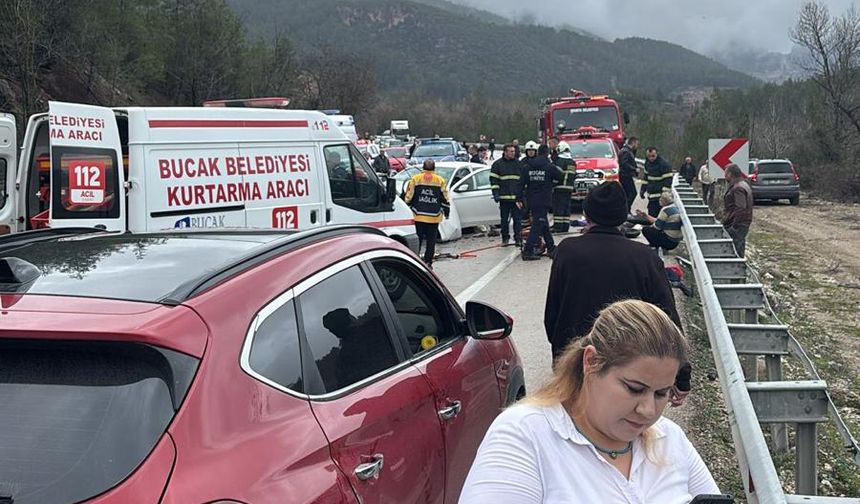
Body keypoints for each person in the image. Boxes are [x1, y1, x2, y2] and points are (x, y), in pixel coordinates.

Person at [459, 300, 719, 504]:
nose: (648, 410)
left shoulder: (670, 439)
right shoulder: (525, 435)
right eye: (634, 389)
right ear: (591, 362)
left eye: (662, 393)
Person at [545, 181, 682, 360]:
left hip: (573, 361)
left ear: (587, 214)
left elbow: (552, 313)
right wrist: (681, 376)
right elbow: (667, 320)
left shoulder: (567, 251)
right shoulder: (646, 258)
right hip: (627, 366)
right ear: (622, 216)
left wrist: (560, 354)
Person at [404, 160, 450, 269]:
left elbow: (409, 196)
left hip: (418, 216)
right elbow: (445, 198)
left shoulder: (415, 179)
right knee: (431, 241)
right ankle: (428, 262)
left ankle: (416, 261)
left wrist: (406, 204)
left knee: (418, 239)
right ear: (434, 168)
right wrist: (447, 212)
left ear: (423, 167)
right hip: (434, 217)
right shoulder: (440, 180)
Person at [520, 142, 562, 260]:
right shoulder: (549, 167)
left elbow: (521, 183)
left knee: (543, 223)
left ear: (538, 153)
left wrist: (519, 197)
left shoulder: (527, 166)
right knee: (537, 225)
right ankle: (528, 250)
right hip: (544, 199)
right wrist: (551, 183)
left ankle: (551, 247)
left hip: (532, 199)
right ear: (547, 154)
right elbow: (560, 176)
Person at [491, 144, 524, 247]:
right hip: (504, 199)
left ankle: (518, 239)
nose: (513, 153)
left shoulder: (519, 164)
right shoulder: (497, 165)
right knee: (504, 221)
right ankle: (505, 238)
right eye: (510, 151)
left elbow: (523, 181)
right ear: (505, 152)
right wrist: (496, 194)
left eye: (513, 151)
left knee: (518, 220)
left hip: (516, 199)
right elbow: (494, 181)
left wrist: (522, 196)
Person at [722, 163, 753, 257]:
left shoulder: (738, 188)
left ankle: (736, 270)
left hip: (738, 225)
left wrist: (734, 226)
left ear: (731, 174)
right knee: (738, 248)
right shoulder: (743, 184)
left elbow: (740, 208)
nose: (724, 176)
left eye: (726, 173)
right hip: (741, 224)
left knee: (735, 251)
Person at [641, 147, 673, 218]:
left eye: (653, 156)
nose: (651, 158)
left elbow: (668, 181)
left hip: (660, 197)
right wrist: (643, 189)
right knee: (651, 214)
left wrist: (664, 195)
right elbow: (646, 178)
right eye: (649, 156)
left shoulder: (663, 164)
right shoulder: (647, 163)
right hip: (651, 196)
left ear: (657, 154)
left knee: (657, 217)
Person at [551, 141, 576, 232]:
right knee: (566, 207)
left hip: (559, 187)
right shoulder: (572, 162)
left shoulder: (559, 161)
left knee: (558, 207)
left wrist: (552, 184)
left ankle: (558, 227)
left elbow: (556, 174)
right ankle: (565, 226)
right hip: (569, 188)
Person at [617, 136, 640, 212]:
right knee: (632, 193)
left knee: (627, 194)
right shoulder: (626, 152)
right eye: (636, 144)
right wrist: (634, 169)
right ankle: (626, 210)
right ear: (633, 143)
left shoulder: (626, 151)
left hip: (625, 175)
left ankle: (626, 211)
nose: (637, 146)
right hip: (625, 176)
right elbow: (624, 163)